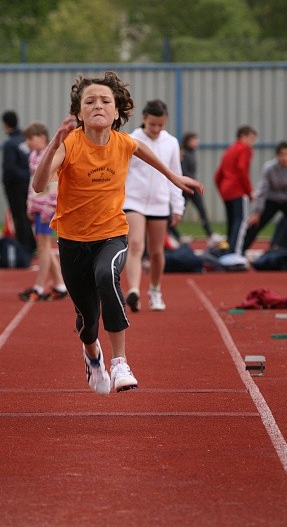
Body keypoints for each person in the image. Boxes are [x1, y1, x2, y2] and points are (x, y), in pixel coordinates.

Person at [32, 71, 203, 395]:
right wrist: (55, 141)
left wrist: (174, 178)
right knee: (87, 321)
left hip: (112, 233)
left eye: (105, 101)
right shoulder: (70, 145)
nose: (98, 105)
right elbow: (39, 185)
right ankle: (92, 355)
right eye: (90, 101)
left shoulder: (124, 143)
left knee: (107, 275)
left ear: (117, 110)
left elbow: (145, 153)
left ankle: (120, 361)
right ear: (79, 112)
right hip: (71, 240)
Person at [123, 99, 185, 313]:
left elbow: (175, 174)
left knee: (157, 252)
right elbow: (121, 173)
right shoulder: (131, 140)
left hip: (159, 203)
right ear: (143, 119)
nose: (156, 129)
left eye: (161, 125)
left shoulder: (171, 143)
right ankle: (133, 291)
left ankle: (155, 290)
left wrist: (178, 206)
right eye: (152, 125)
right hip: (133, 201)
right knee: (136, 244)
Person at [18, 122, 67, 302]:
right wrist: (30, 205)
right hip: (38, 206)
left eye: (31, 139)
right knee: (44, 246)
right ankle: (60, 284)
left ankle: (38, 287)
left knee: (43, 247)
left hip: (47, 207)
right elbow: (33, 183)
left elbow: (54, 184)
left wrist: (49, 207)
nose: (28, 143)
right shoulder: (33, 156)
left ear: (42, 137)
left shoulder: (50, 156)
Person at [214, 125, 257, 255]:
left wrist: (222, 191)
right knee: (241, 221)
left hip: (226, 190)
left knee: (232, 222)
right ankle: (235, 253)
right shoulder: (244, 149)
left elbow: (217, 175)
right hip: (238, 190)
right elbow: (242, 170)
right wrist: (249, 192)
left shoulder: (230, 150)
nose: (253, 143)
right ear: (243, 136)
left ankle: (228, 250)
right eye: (251, 138)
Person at [1, 110, 36, 256]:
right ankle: (32, 244)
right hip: (27, 182)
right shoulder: (24, 140)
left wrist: (6, 182)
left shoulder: (10, 144)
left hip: (15, 185)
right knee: (25, 214)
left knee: (19, 215)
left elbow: (9, 168)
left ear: (6, 124)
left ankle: (25, 246)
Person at [242, 140, 287, 252]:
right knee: (254, 223)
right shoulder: (269, 168)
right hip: (271, 200)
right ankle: (239, 250)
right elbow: (262, 190)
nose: (285, 158)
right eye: (282, 155)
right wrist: (257, 212)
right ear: (277, 155)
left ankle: (279, 250)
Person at [180, 132, 223, 248]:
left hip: (193, 187)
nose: (196, 142)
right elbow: (182, 171)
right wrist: (192, 181)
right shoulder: (183, 153)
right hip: (186, 187)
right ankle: (172, 234)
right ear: (188, 141)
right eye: (194, 140)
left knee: (202, 210)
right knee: (179, 212)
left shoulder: (192, 153)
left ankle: (210, 235)